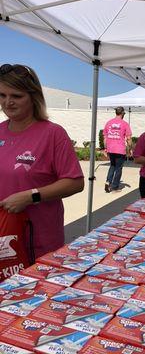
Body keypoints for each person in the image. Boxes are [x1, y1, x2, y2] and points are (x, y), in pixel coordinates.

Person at [0, 64, 84, 258]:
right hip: (3, 237)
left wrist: (31, 196)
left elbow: (75, 182)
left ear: (33, 96)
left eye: (16, 96)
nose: (7, 102)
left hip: (37, 240)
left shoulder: (53, 134)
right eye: (2, 95)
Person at [103, 106, 132, 193]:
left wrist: (105, 148)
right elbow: (129, 139)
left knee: (112, 165)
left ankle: (108, 181)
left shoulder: (108, 123)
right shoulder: (125, 124)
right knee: (118, 168)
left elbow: (105, 138)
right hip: (120, 150)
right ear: (122, 113)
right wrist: (130, 149)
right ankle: (115, 187)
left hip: (111, 149)